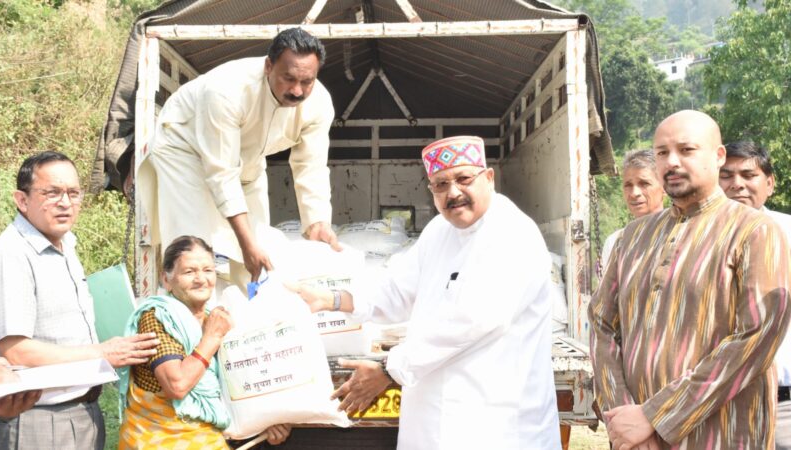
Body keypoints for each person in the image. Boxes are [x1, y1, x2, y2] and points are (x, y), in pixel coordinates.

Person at [289, 136, 561, 449]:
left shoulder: (511, 233)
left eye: (463, 179)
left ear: (488, 178)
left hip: (497, 425)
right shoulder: (439, 232)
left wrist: (388, 369)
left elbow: (471, 320)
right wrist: (332, 299)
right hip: (436, 425)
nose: (453, 193)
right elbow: (396, 289)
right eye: (440, 184)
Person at [589, 110, 791, 450]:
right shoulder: (632, 237)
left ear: (718, 155)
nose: (672, 162)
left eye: (686, 150)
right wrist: (622, 418)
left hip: (722, 436)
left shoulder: (754, 231)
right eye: (662, 152)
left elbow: (755, 340)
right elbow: (601, 324)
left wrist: (655, 416)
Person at [135, 27, 340, 286]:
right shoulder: (226, 90)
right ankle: (191, 318)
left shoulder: (319, 102)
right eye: (288, 79)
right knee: (193, 250)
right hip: (184, 150)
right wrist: (246, 244)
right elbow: (221, 174)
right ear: (268, 66)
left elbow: (311, 166)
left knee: (259, 247)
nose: (297, 91)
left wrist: (317, 221)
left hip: (246, 162)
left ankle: (249, 319)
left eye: (306, 81)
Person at [0, 151, 160, 449]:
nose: (65, 203)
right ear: (22, 200)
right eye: (52, 193)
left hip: (83, 412)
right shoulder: (12, 253)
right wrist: (102, 352)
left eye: (73, 193)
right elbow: (16, 350)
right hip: (40, 420)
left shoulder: (65, 244)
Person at [118, 236, 290, 448]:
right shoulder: (158, 318)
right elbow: (177, 385)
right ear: (166, 279)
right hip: (158, 440)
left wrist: (265, 422)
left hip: (209, 440)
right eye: (189, 272)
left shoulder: (216, 319)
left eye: (208, 270)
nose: (201, 279)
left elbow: (237, 387)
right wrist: (212, 337)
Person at [718, 140, 791, 449]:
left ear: (770, 183)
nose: (737, 184)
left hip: (786, 407)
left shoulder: (788, 232)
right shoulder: (695, 240)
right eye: (726, 175)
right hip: (718, 408)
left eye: (749, 175)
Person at [600, 149, 665, 267]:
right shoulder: (615, 242)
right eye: (628, 185)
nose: (634, 193)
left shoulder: (677, 235)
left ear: (664, 188)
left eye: (644, 183)